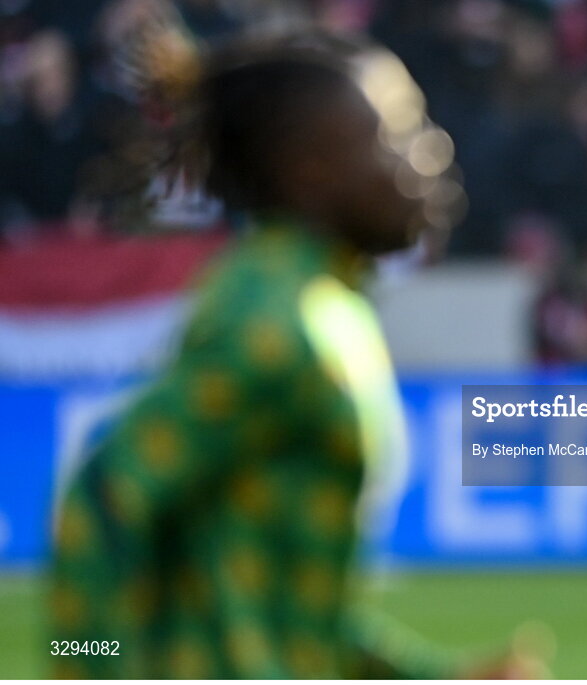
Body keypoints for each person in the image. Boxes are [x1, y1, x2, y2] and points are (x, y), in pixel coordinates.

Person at [48, 24, 526, 679]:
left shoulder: (322, 304)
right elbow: (102, 492)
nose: (432, 150)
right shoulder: (279, 322)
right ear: (311, 172)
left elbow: (294, 621)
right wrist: (87, 662)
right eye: (398, 133)